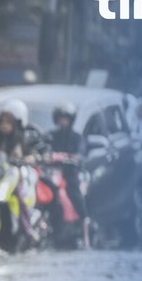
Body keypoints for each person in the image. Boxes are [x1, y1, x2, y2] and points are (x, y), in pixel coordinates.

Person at [0, 99, 40, 243]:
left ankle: (28, 229)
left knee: (21, 200)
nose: (4, 126)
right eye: (2, 122)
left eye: (8, 123)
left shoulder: (19, 139)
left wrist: (27, 158)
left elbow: (26, 155)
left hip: (12, 178)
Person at [47, 101, 91, 248]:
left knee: (75, 194)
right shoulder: (52, 136)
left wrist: (72, 157)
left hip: (70, 173)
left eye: (66, 118)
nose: (63, 121)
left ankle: (86, 235)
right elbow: (44, 148)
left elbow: (80, 154)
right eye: (60, 118)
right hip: (52, 173)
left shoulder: (77, 137)